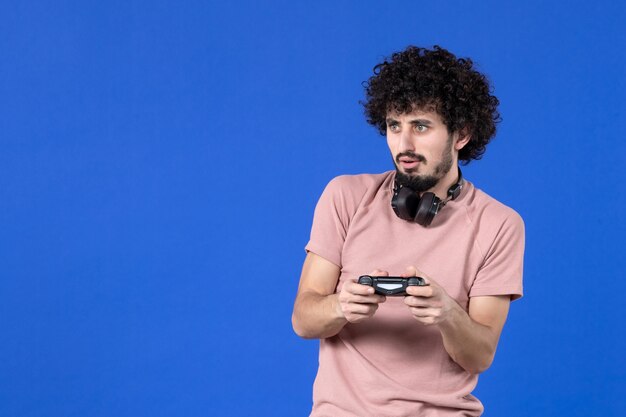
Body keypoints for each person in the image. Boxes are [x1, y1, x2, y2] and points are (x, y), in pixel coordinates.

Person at [291, 45, 525, 416]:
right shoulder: (345, 196)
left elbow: (480, 355)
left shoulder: (500, 225)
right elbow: (303, 320)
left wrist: (448, 314)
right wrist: (341, 305)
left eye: (420, 126)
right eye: (394, 126)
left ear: (461, 134)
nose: (404, 145)